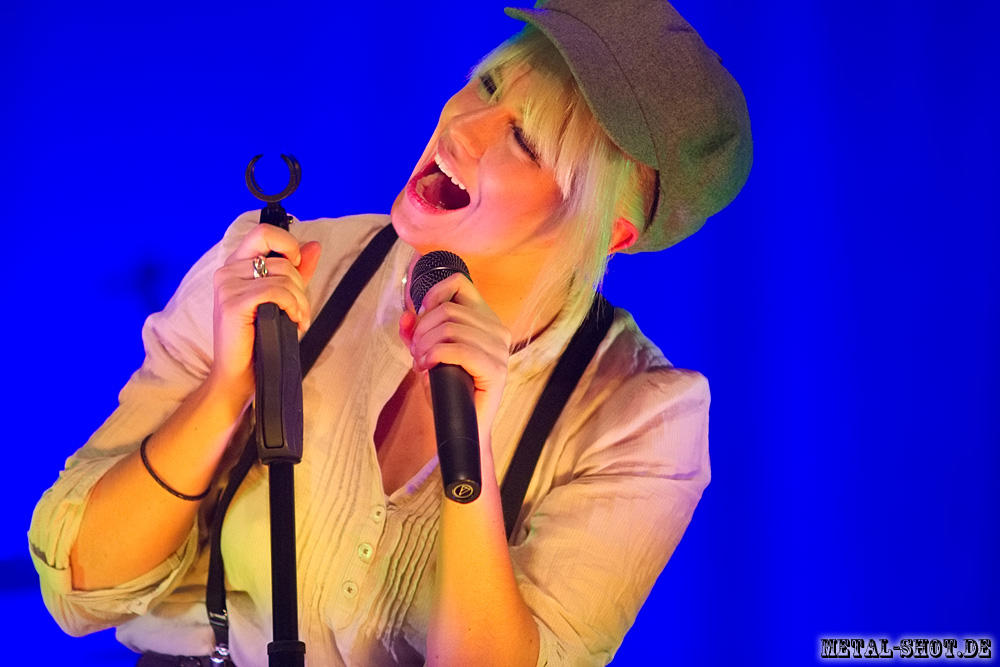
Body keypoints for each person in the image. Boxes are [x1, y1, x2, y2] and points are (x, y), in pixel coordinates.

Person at [28, 1, 751, 665]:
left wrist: (471, 448)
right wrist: (226, 392)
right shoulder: (278, 263)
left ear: (611, 233)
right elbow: (80, 586)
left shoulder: (643, 419)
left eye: (525, 141)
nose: (462, 126)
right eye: (488, 86)